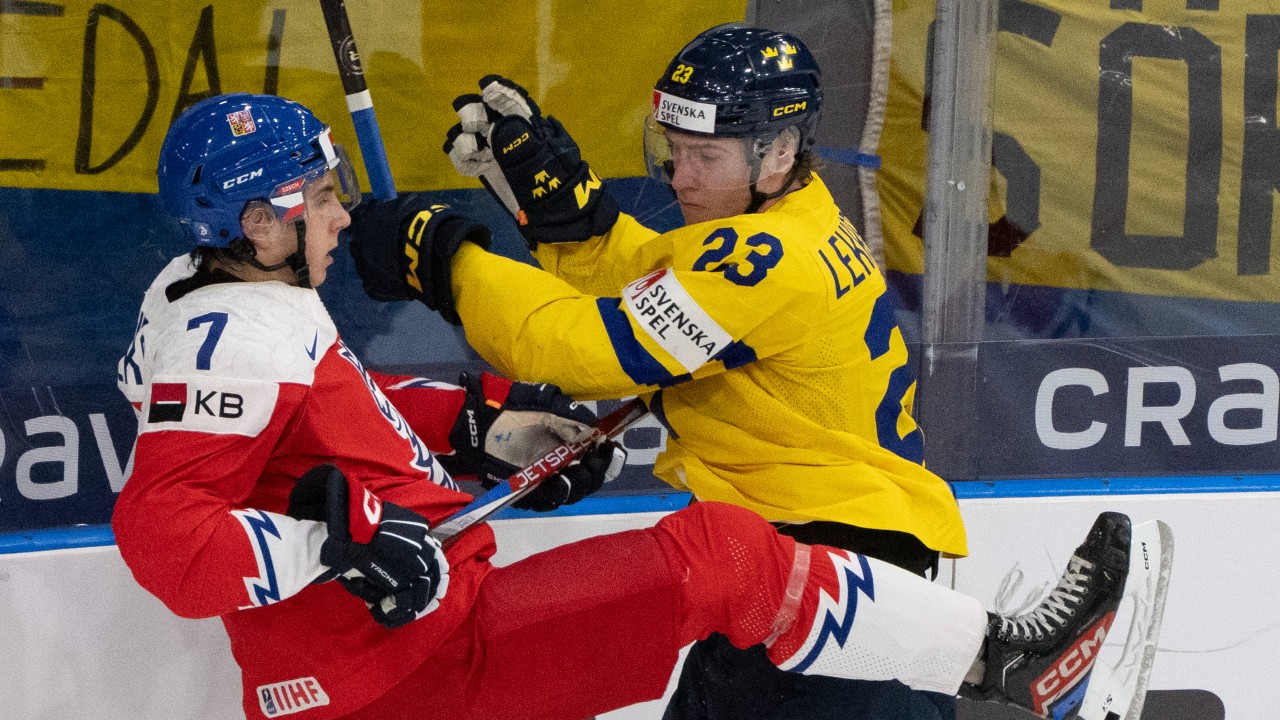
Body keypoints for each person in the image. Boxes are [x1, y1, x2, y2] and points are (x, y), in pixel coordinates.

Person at [112, 92, 1135, 720]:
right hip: (408, 665)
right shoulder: (235, 334)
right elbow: (163, 535)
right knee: (723, 558)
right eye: (322, 196)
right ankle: (1012, 661)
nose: (340, 214)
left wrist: (475, 425)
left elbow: (325, 425)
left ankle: (1003, 662)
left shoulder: (219, 302)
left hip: (398, 653)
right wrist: (341, 546)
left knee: (724, 565)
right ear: (261, 221)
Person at [353, 24, 967, 720]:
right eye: (673, 149)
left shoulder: (774, 260)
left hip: (831, 591)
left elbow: (575, 349)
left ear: (780, 151)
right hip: (799, 575)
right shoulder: (790, 222)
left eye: (706, 155)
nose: (681, 176)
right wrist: (576, 225)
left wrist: (446, 260)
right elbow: (660, 287)